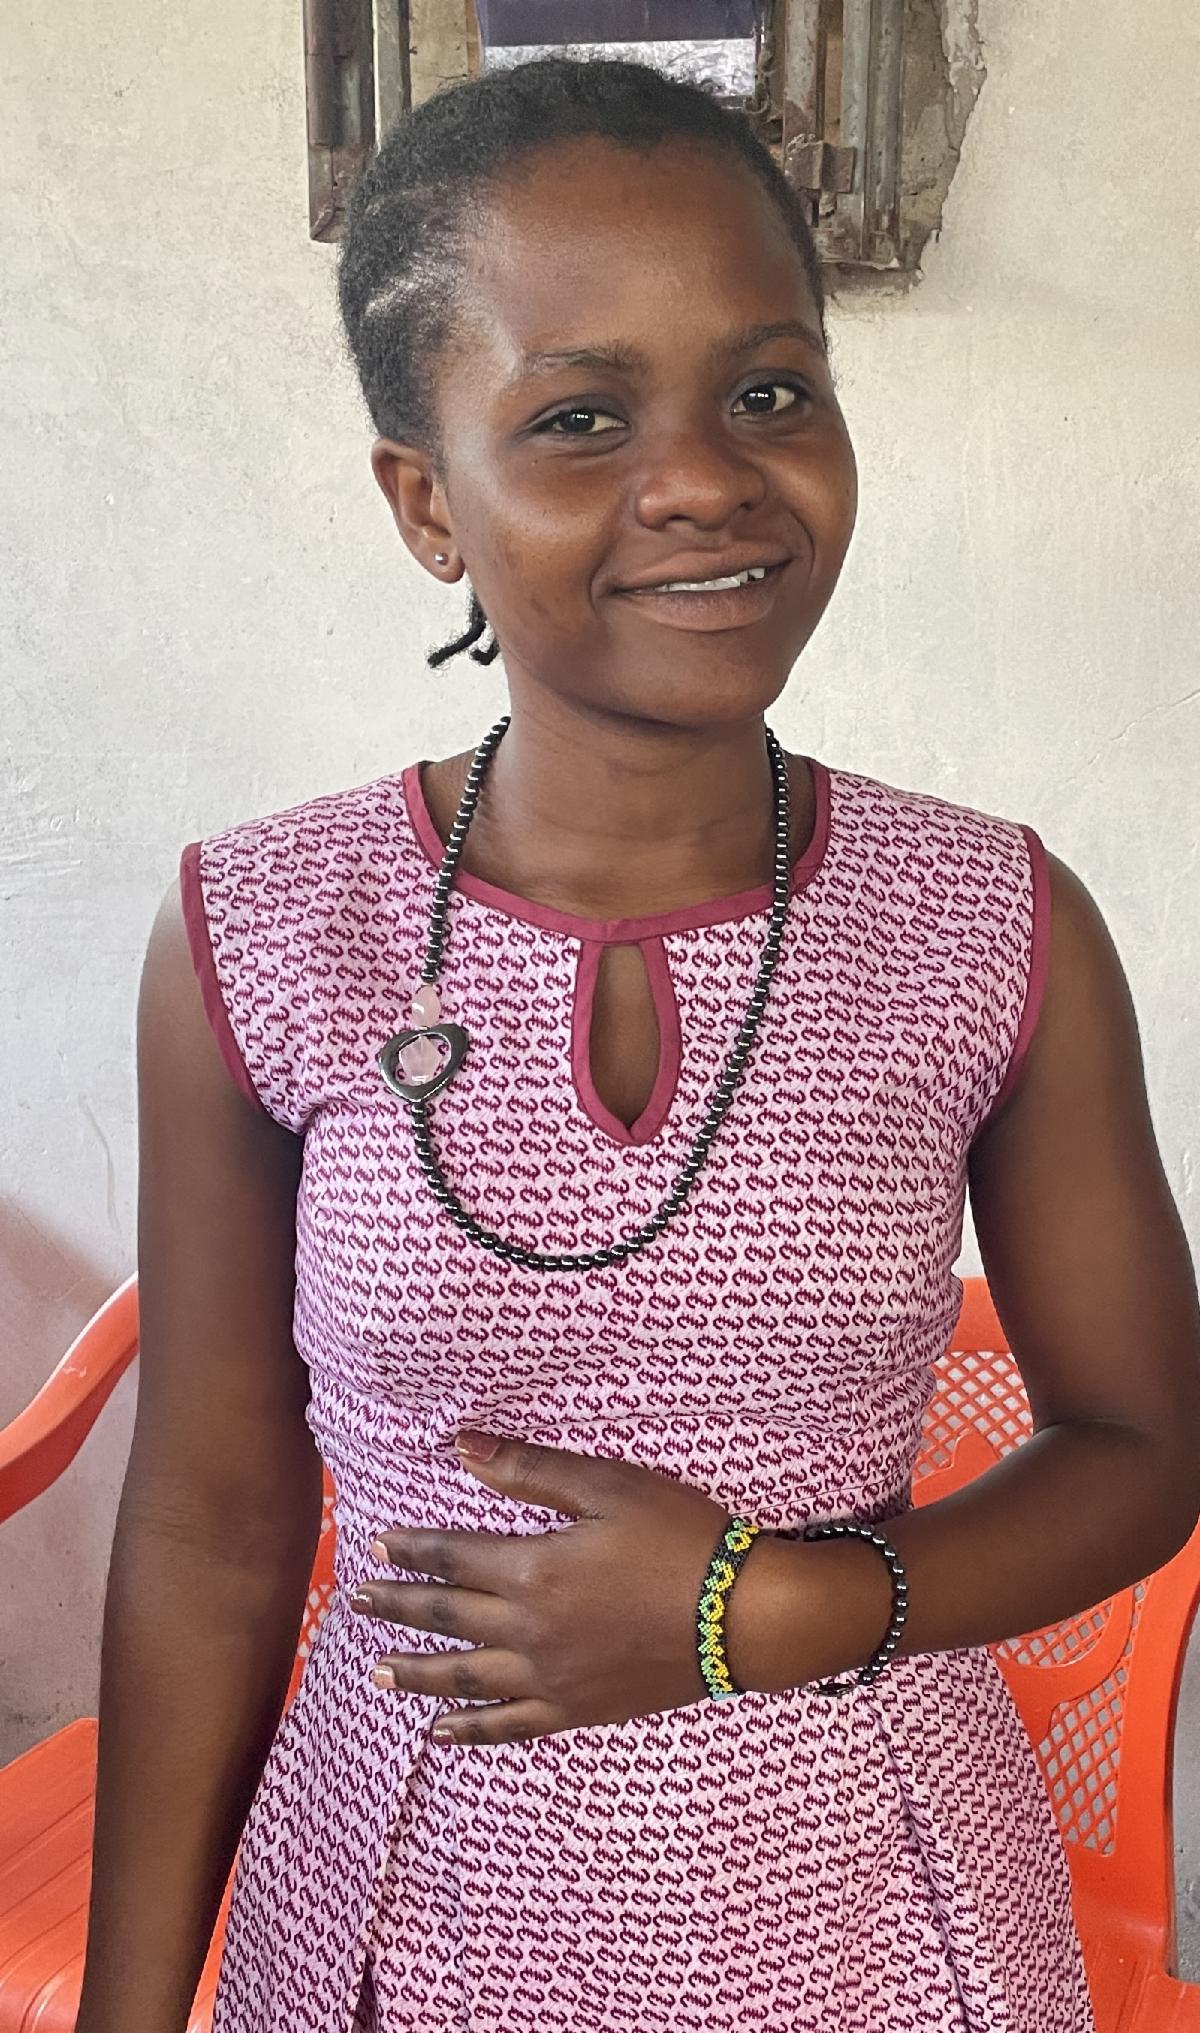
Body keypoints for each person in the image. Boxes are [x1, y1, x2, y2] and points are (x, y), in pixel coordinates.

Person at [75, 54, 1200, 2033]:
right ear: (429, 502)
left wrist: (780, 1607)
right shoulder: (265, 931)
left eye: (770, 392)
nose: (704, 479)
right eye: (581, 418)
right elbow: (211, 1527)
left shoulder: (992, 925)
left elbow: (1143, 1449)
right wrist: (129, 2011)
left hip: (877, 1916)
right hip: (402, 1909)